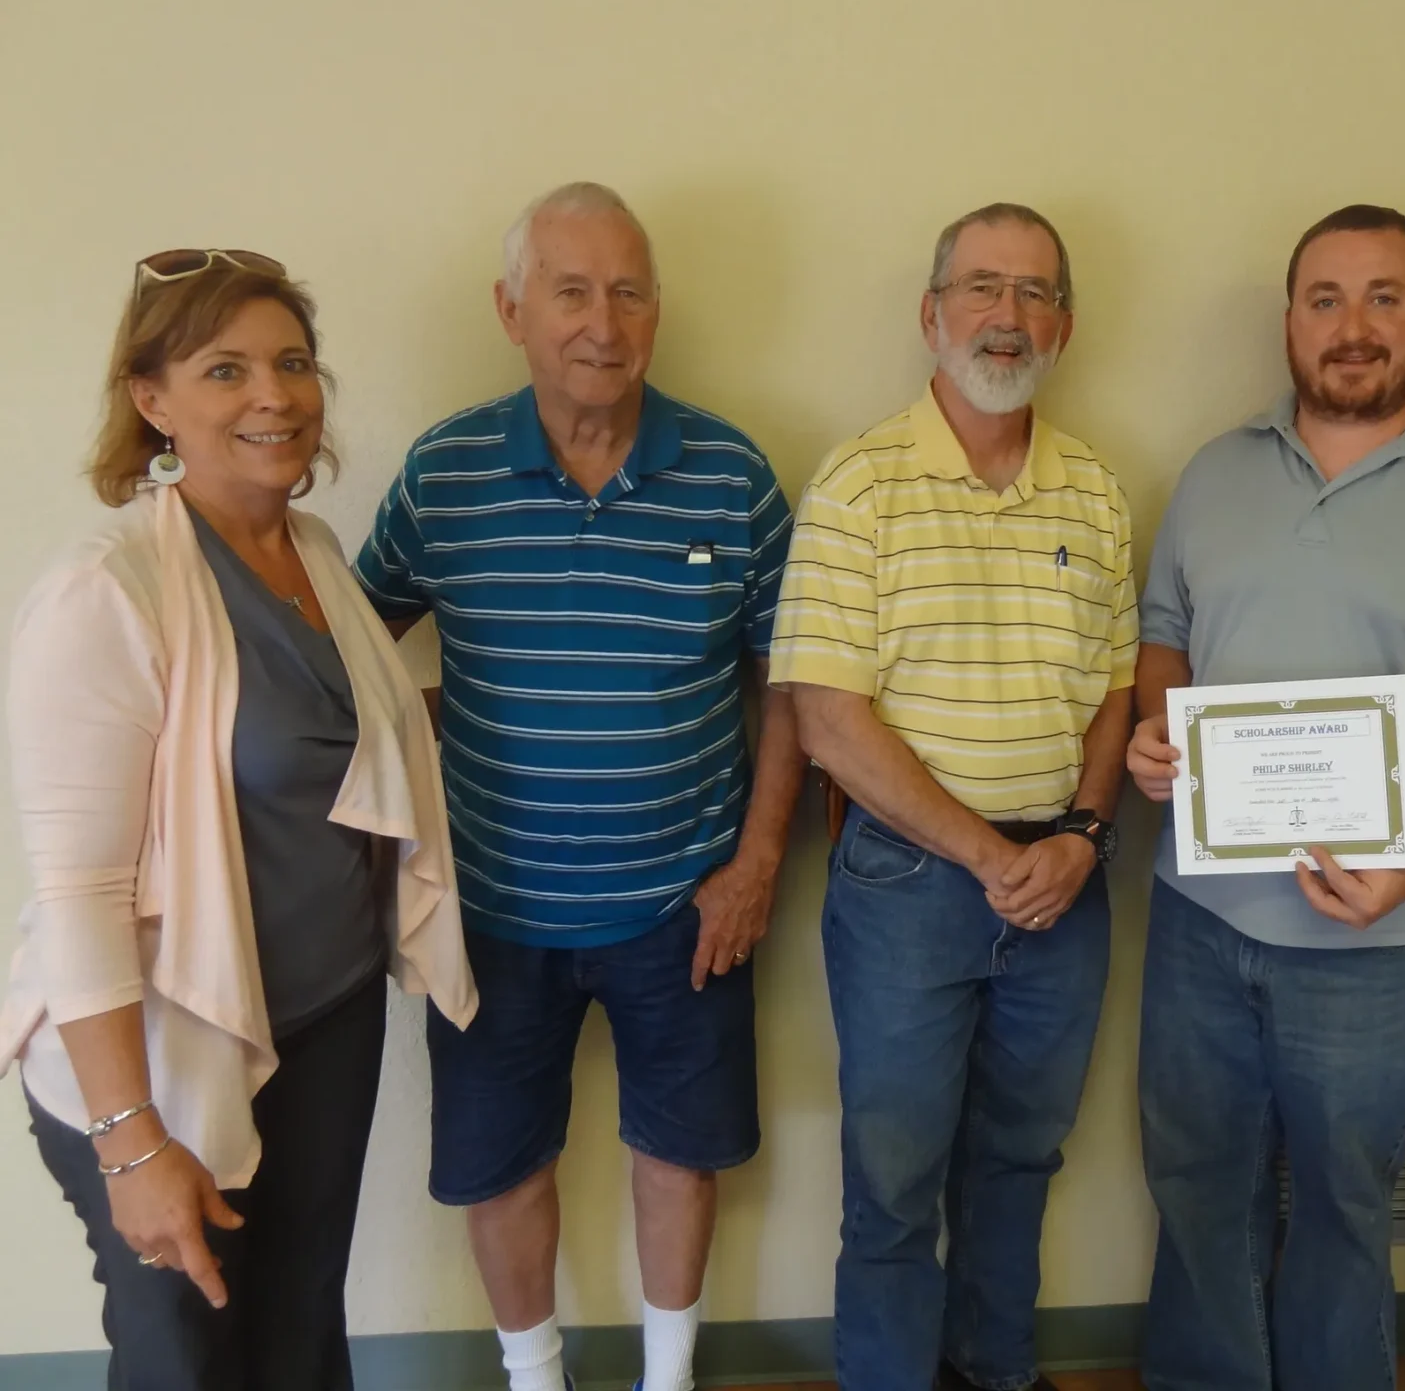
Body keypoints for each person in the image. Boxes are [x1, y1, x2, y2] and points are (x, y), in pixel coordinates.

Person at [353, 183, 804, 1391]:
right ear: (511, 310)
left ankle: (668, 1381)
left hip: (687, 903)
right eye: (570, 291)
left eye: (628, 290)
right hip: (494, 908)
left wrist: (755, 862)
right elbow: (351, 649)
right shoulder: (444, 476)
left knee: (680, 1152)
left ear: (657, 310)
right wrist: (421, 737)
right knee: (501, 1165)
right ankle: (533, 1377)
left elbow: (797, 686)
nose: (602, 322)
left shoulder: (730, 475)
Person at [0, 251, 475, 1390]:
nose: (275, 395)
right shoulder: (109, 589)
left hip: (324, 1016)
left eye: (292, 362)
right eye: (226, 369)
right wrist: (130, 1141)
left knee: (300, 1336)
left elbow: (343, 738)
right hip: (161, 1055)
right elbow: (81, 895)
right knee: (187, 1352)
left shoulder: (310, 554)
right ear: (151, 399)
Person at [1127, 205, 1405, 1391]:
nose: (1352, 326)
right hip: (1198, 915)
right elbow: (1163, 642)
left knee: (1340, 1202)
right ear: (1288, 321)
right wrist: (1151, 739)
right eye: (1324, 299)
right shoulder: (1214, 473)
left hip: (1374, 931)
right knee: (1194, 1183)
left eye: (1383, 298)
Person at [770, 202, 1135, 1391]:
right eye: (980, 287)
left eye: (1032, 293)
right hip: (908, 886)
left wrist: (1081, 835)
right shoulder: (857, 484)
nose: (1005, 314)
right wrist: (988, 853)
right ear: (931, 316)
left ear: (1063, 326)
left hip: (1064, 889)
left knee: (1019, 1162)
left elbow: (1112, 698)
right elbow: (829, 720)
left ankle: (995, 1370)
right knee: (892, 1178)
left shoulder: (1095, 490)